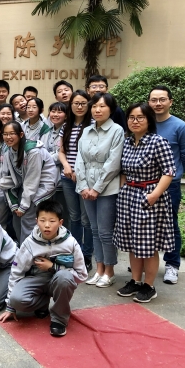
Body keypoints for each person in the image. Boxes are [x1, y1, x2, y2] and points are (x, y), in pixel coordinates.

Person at [0, 200, 87, 337]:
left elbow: (82, 275)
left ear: (60, 222)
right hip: (36, 278)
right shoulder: (29, 243)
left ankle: (59, 319)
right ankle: (42, 303)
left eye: (52, 221)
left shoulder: (70, 243)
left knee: (64, 278)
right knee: (16, 300)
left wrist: (53, 267)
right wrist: (10, 306)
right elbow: (16, 271)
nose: (47, 225)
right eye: (42, 220)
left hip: (59, 279)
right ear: (36, 221)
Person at [114, 103, 176, 303]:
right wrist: (123, 190)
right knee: (133, 242)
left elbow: (169, 172)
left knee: (148, 245)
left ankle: (149, 286)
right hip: (129, 196)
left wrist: (154, 195)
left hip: (149, 197)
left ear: (149, 120)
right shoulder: (127, 142)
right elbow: (123, 171)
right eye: (131, 117)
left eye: (140, 117)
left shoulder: (158, 142)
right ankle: (135, 281)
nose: (135, 121)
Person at [148, 85, 185, 285]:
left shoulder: (180, 127)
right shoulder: (145, 123)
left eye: (162, 99)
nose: (158, 103)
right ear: (149, 102)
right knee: (145, 224)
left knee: (170, 225)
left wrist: (176, 173)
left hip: (170, 186)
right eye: (154, 100)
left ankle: (172, 264)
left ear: (170, 102)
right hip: (145, 183)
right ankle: (146, 261)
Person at [75, 92, 124, 288]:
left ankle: (109, 271)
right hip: (86, 187)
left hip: (107, 188)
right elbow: (79, 159)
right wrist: (83, 186)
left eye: (102, 106)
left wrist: (96, 188)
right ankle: (99, 269)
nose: (97, 110)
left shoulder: (117, 130)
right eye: (94, 106)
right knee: (94, 230)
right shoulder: (86, 131)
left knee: (105, 231)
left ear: (111, 109)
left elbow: (113, 163)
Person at [0, 121, 58, 244]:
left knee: (27, 218)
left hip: (42, 186)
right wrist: (13, 203)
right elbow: (9, 176)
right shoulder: (8, 151)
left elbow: (32, 180)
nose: (8, 137)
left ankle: (29, 251)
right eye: (5, 134)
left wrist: (23, 206)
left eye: (12, 134)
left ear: (21, 134)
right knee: (16, 219)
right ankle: (22, 248)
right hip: (25, 186)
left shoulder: (32, 151)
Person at [59, 90, 94, 269]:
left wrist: (79, 172)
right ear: (70, 105)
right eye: (76, 103)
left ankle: (87, 255)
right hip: (67, 177)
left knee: (86, 219)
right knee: (74, 217)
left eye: (83, 103)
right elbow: (61, 151)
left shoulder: (93, 125)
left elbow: (91, 154)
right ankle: (75, 252)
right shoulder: (66, 126)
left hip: (86, 179)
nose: (79, 107)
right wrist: (66, 166)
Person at [42, 101, 69, 229]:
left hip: (62, 178)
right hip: (48, 179)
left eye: (59, 112)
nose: (55, 114)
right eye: (53, 111)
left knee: (63, 212)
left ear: (66, 115)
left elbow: (62, 154)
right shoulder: (47, 131)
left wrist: (46, 159)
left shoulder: (68, 131)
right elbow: (40, 152)